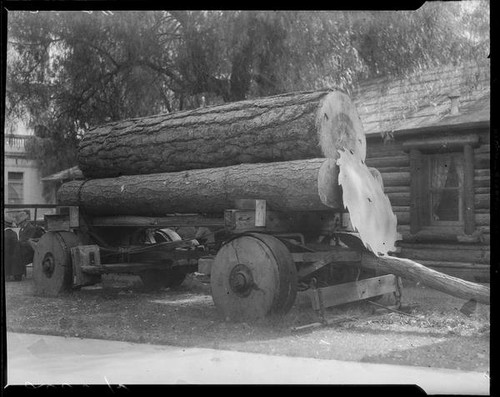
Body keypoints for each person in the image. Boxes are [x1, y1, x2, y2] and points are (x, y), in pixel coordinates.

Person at [4, 214, 22, 281]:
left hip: (8, 255)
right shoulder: (14, 233)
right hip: (15, 255)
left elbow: (6, 248)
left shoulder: (5, 234)